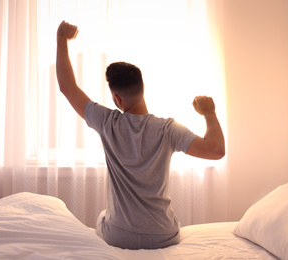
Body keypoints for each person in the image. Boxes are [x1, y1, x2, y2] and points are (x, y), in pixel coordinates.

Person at [56, 21, 225, 250]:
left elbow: (67, 86)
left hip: (118, 235)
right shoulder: (168, 129)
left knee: (103, 216)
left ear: (117, 99)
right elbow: (215, 150)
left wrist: (61, 39)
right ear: (142, 88)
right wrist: (209, 113)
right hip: (162, 236)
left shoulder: (107, 122)